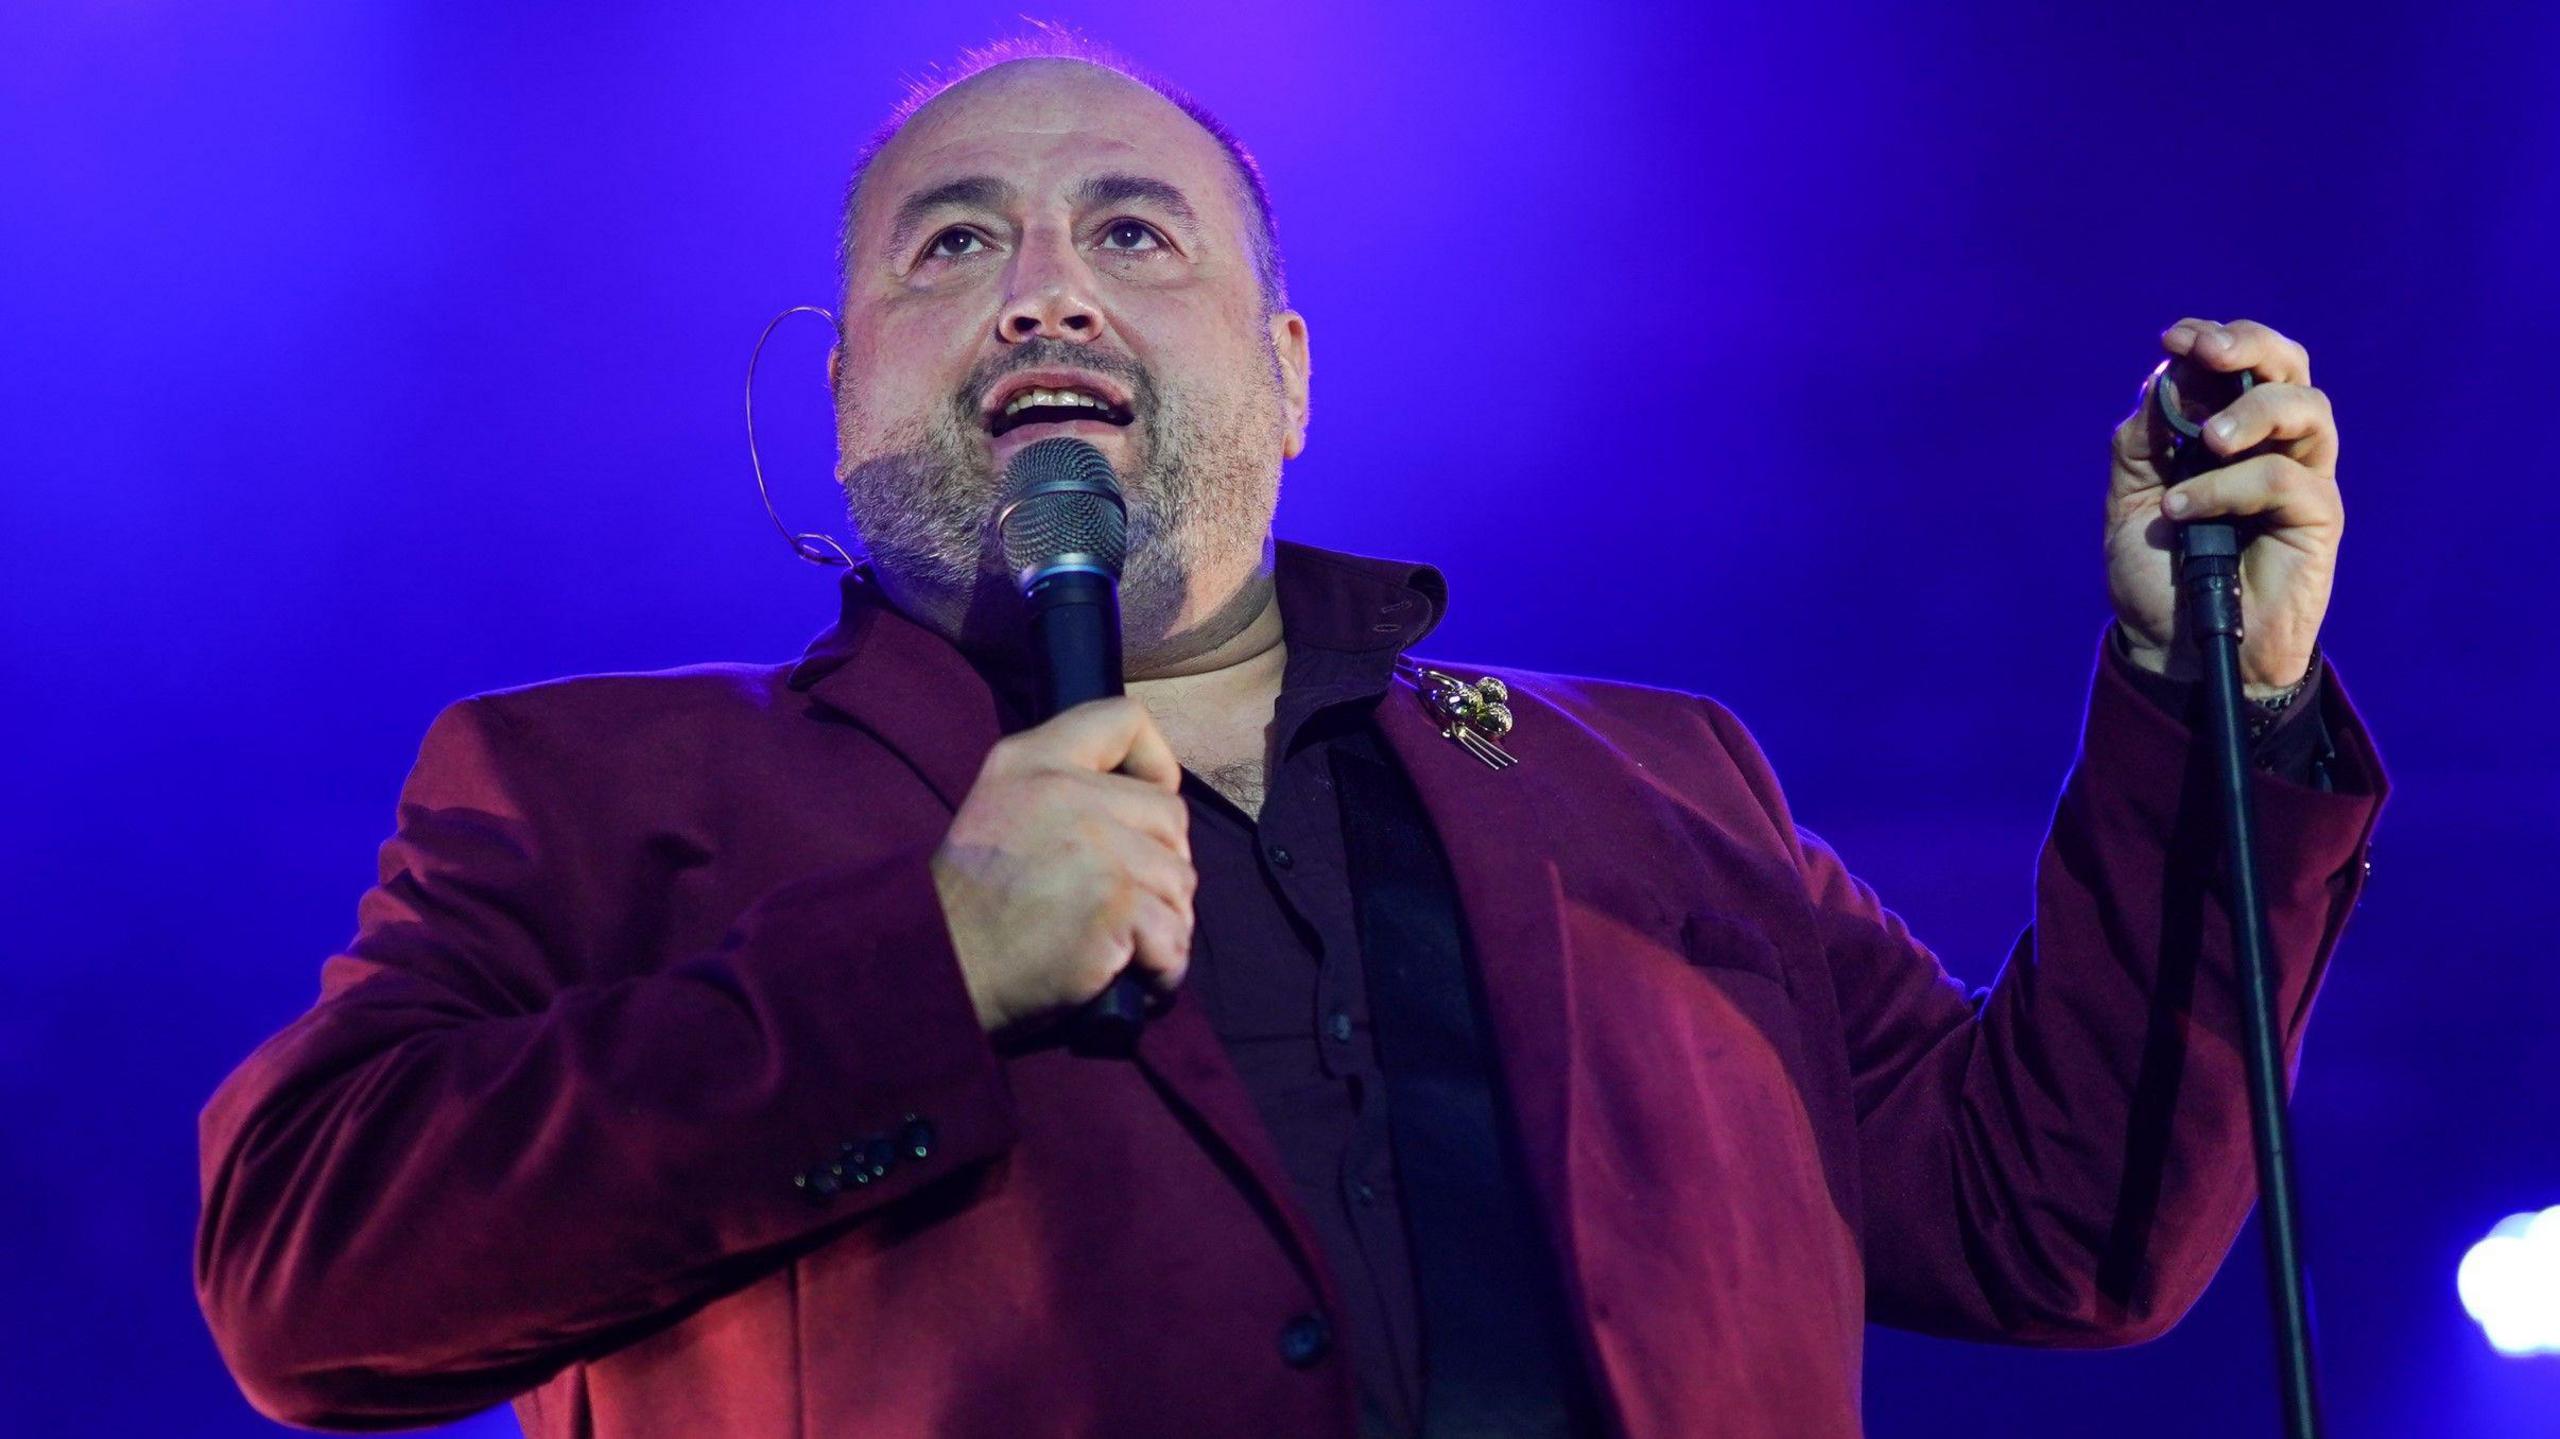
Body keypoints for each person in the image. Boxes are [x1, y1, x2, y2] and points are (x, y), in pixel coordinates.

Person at [194, 33, 2387, 1439]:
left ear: (1287, 372)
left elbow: (2055, 1223)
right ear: (847, 383)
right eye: (954, 244)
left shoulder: (1653, 781)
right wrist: (914, 973)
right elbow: (305, 1280)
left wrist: (2217, 704)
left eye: (1128, 232)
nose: (1042, 290)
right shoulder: (596, 795)